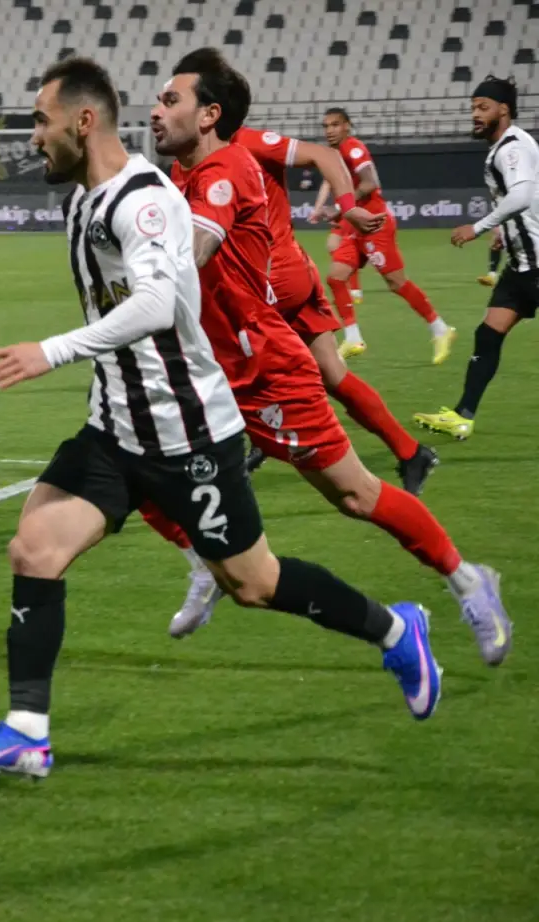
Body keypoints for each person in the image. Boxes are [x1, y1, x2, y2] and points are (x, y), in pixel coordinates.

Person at [0, 58, 443, 781]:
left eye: (42, 122)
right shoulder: (84, 199)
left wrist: (52, 351)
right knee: (34, 550)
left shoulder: (142, 200)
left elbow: (158, 305)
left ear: (84, 121)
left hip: (188, 432)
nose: (33, 137)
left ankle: (396, 630)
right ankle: (26, 733)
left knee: (254, 584)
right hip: (116, 428)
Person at [141, 49, 508, 667]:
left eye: (169, 99)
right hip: (207, 369)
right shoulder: (180, 174)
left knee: (356, 496)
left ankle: (469, 581)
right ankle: (204, 563)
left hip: (264, 369)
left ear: (209, 114)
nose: (155, 109)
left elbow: (198, 247)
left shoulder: (227, 167)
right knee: (129, 458)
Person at [231, 125, 437, 493]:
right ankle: (411, 452)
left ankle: (252, 445)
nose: (159, 112)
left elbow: (323, 156)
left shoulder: (243, 142)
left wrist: (347, 207)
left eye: (171, 101)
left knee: (221, 363)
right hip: (292, 270)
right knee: (332, 373)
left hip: (271, 277)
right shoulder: (203, 156)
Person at [415, 77, 539, 441]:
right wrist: (504, 230)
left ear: (504, 109)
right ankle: (462, 416)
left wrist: (479, 227)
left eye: (483, 107)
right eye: (473, 108)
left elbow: (521, 196)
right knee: (487, 334)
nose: (475, 114)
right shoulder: (508, 145)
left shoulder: (511, 148)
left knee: (488, 336)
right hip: (521, 265)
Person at [313, 108, 455, 363]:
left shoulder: (353, 148)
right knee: (336, 277)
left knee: (396, 283)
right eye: (326, 126)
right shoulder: (336, 154)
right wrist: (337, 212)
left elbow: (370, 183)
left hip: (375, 224)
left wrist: (341, 208)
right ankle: (353, 338)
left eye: (335, 125)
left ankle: (440, 328)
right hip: (358, 226)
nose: (329, 130)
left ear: (347, 126)